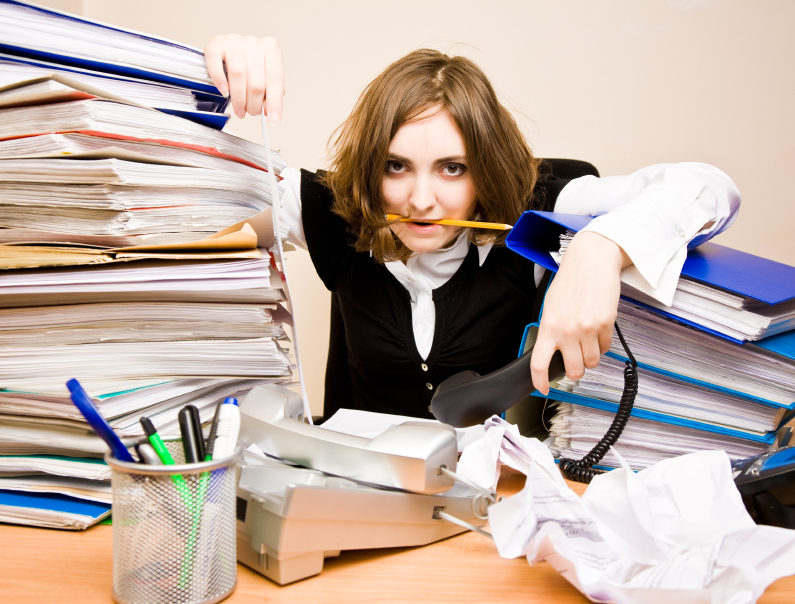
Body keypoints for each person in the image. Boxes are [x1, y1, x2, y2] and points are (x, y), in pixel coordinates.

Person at [204, 35, 740, 419]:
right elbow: (163, 212)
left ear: (485, 168)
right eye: (396, 166)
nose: (420, 200)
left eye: (452, 168)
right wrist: (205, 85)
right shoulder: (332, 206)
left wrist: (600, 248)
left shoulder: (540, 204)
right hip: (352, 498)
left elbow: (709, 187)